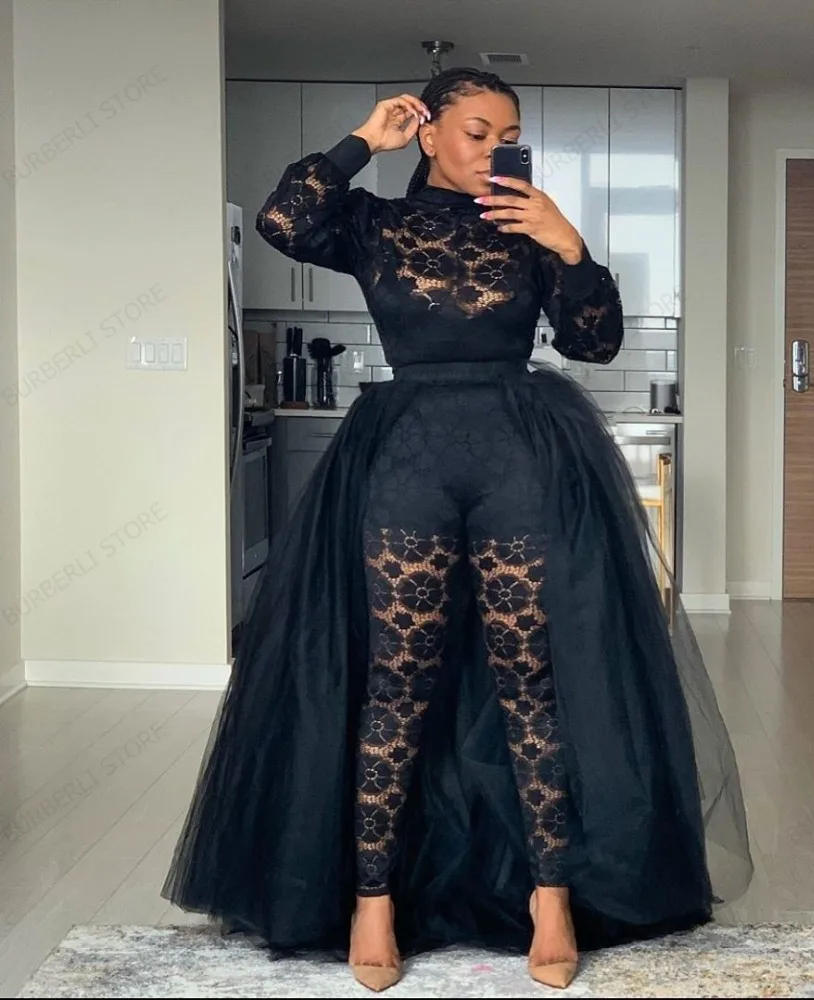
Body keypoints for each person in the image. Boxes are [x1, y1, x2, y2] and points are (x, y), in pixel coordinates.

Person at [162, 67, 752, 992]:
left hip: (520, 455)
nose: (496, 150)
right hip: (408, 458)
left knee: (531, 678)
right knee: (397, 680)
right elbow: (282, 219)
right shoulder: (375, 224)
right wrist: (365, 140)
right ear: (430, 133)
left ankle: (551, 897)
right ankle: (372, 901)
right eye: (477, 132)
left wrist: (569, 243)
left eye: (510, 137)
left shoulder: (529, 227)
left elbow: (595, 341)